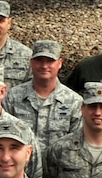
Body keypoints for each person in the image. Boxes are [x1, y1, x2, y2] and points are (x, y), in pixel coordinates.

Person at [6, 40, 85, 169]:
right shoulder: (13, 97)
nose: (44, 66)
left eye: (50, 61)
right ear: (31, 62)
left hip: (58, 174)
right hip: (19, 171)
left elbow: (76, 144)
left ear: (59, 63)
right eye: (39, 60)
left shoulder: (74, 102)